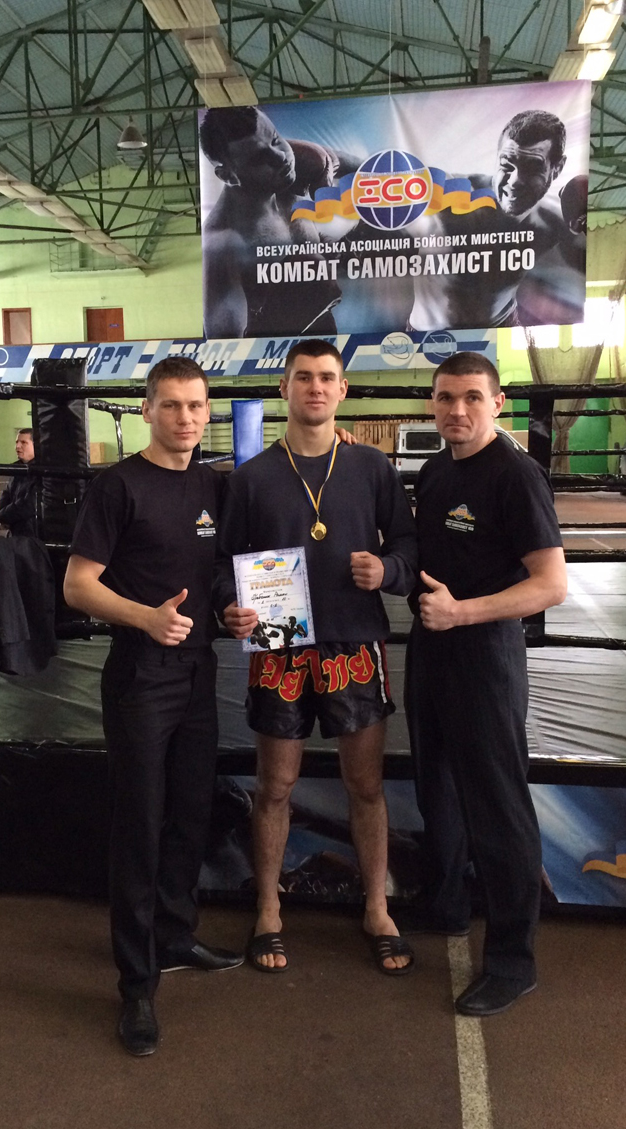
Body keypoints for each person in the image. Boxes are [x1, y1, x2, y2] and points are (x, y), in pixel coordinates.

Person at [215, 339, 418, 975]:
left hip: (354, 641)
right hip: (279, 645)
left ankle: (377, 907)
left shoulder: (372, 468)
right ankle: (268, 908)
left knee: (366, 785)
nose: (316, 388)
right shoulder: (252, 477)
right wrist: (230, 605)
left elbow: (409, 544)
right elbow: (222, 563)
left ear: (343, 389)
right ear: (285, 388)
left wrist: (387, 570)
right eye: (303, 377)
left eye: (327, 377)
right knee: (275, 785)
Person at [63, 356, 243, 1058]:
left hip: (198, 671)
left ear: (208, 411)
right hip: (141, 673)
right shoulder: (118, 486)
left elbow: (219, 570)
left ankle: (173, 935)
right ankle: (136, 984)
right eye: (171, 405)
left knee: (190, 814)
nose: (186, 418)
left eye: (196, 406)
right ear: (146, 410)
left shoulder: (213, 485)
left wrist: (230, 610)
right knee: (139, 823)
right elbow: (78, 585)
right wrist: (145, 618)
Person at [404, 351, 567, 1016]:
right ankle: (445, 905)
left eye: (472, 397)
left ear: (498, 403)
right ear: (433, 404)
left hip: (484, 653)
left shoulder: (515, 474)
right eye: (446, 398)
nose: (458, 410)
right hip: (432, 648)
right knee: (436, 785)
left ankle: (512, 961)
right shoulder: (436, 470)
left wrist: (463, 613)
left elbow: (551, 585)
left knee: (498, 806)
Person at [407, 110, 586, 329]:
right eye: (507, 164)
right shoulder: (450, 193)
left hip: (501, 329)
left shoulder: (553, 219)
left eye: (532, 167)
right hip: (428, 335)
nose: (514, 181)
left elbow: (586, 265)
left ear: (557, 168)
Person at [200, 106, 347, 338]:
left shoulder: (294, 167)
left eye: (276, 140)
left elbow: (367, 168)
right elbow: (225, 345)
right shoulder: (225, 240)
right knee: (310, 265)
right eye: (260, 158)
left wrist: (326, 243)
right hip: (274, 351)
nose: (280, 158)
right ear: (228, 176)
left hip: (325, 342)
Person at [0, 428, 38, 537]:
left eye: (23, 442)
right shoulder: (16, 470)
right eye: (17, 442)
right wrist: (1, 515)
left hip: (32, 534)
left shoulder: (42, 472)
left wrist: (4, 516)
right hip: (15, 533)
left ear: (36, 445)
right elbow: (6, 495)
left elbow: (29, 504)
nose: (17, 446)